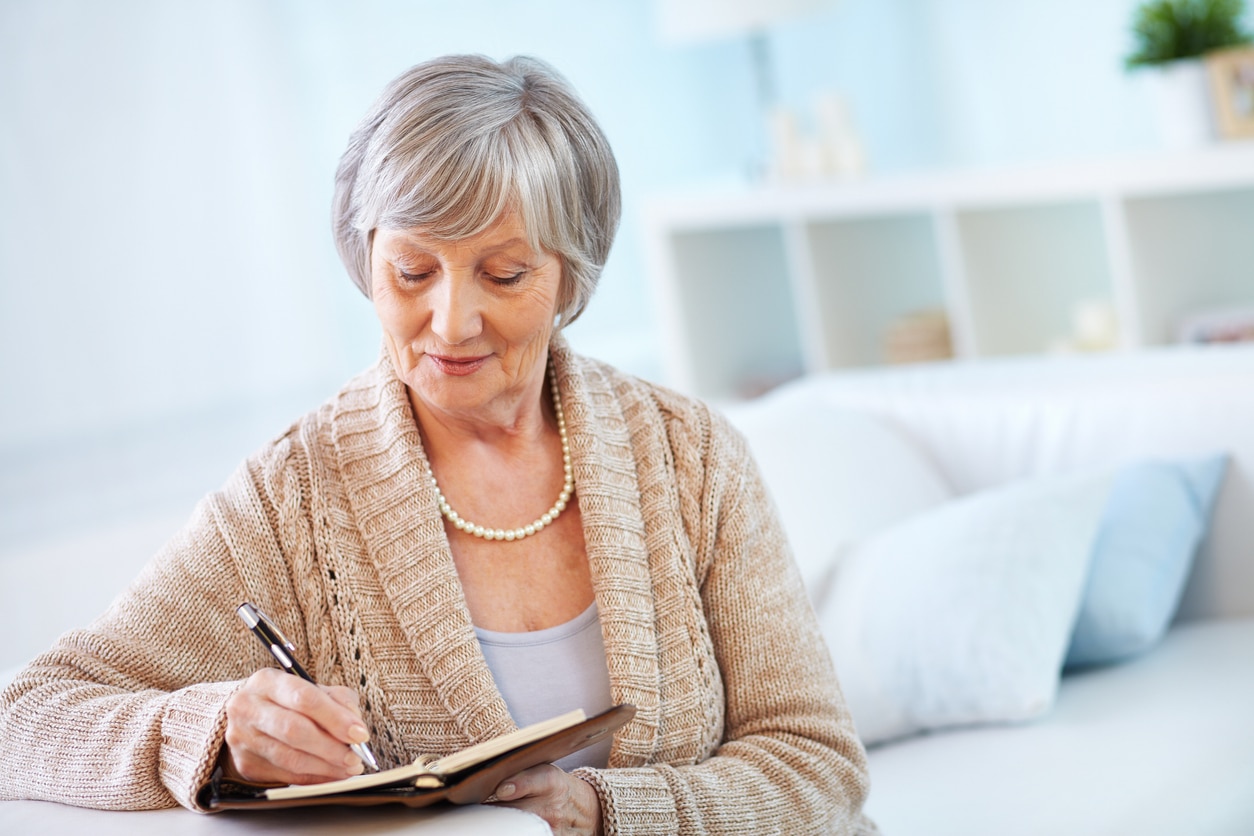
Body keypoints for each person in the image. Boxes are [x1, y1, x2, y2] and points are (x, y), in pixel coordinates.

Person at [0, 55, 873, 834]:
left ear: (572, 274)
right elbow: (24, 719)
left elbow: (819, 765)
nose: (451, 322)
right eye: (412, 272)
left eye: (505, 273)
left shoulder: (693, 459)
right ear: (365, 259)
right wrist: (216, 729)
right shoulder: (290, 500)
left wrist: (606, 812)